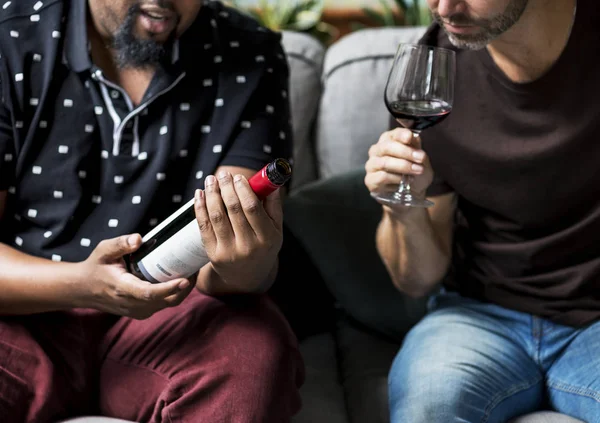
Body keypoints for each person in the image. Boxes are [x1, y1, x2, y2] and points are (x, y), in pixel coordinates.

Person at [0, 0, 304, 422]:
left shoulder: (249, 51)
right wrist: (81, 285)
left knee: (253, 354)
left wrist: (247, 264)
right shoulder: (10, 35)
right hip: (22, 313)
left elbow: (232, 274)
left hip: (171, 317)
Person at [365, 0, 600, 421]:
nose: (443, 7)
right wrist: (403, 209)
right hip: (476, 318)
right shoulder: (432, 70)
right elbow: (416, 281)